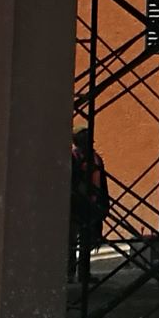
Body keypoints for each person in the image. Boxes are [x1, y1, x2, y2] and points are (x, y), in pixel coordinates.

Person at [69, 122, 110, 285]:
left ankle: (83, 273)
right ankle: (70, 272)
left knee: (86, 240)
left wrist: (102, 203)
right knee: (72, 240)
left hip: (90, 204)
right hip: (76, 204)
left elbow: (101, 183)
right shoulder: (73, 157)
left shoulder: (95, 158)